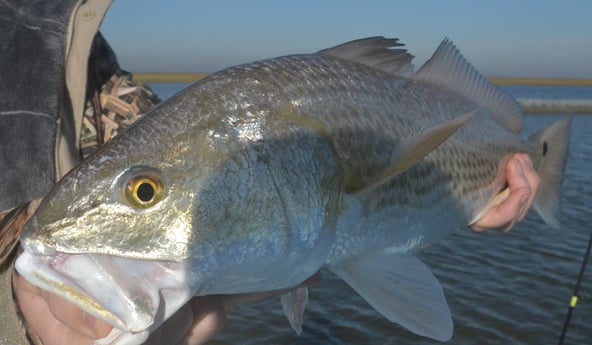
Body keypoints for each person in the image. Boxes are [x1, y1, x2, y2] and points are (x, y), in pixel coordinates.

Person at [0, 2, 541, 344]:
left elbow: (156, 138)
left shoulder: (90, 53)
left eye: (145, 192)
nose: (145, 192)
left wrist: (466, 193)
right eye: (145, 191)